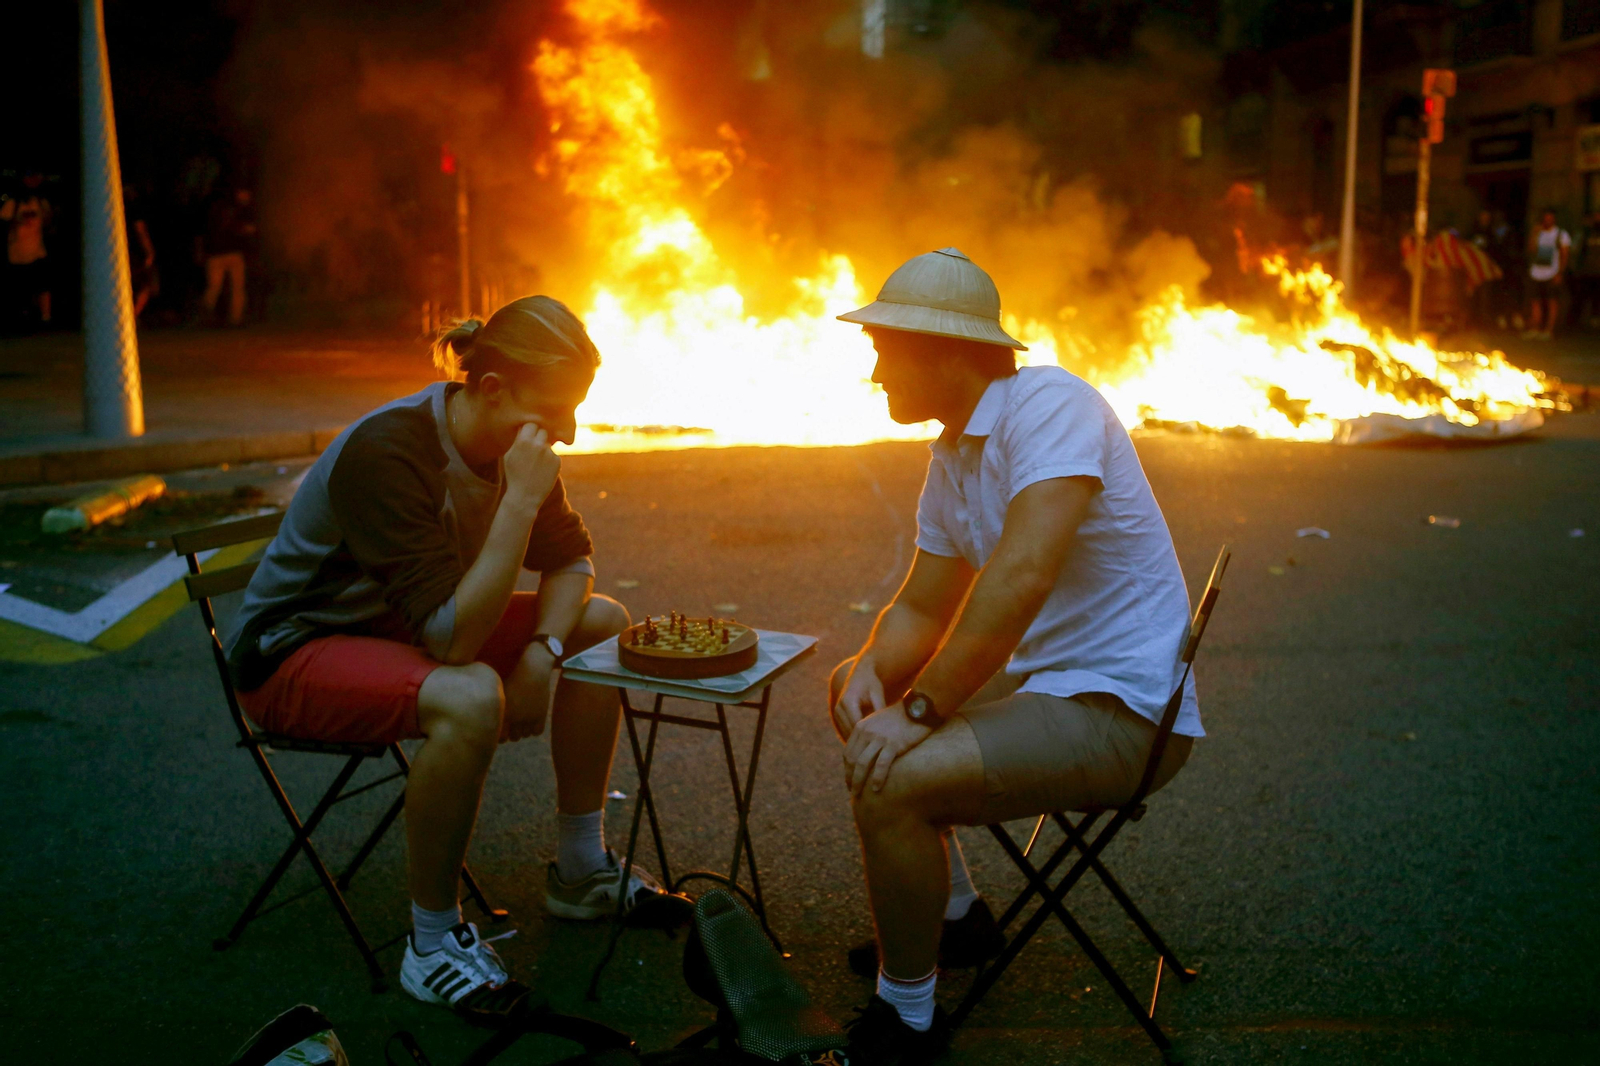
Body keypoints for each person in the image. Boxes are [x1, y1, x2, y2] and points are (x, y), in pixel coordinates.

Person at [223, 297, 664, 1019]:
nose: (568, 433)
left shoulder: (516, 445)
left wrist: (544, 654)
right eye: (555, 411)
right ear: (491, 389)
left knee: (601, 626)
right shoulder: (389, 452)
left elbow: (573, 561)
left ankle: (581, 869)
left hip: (399, 631)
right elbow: (452, 643)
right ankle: (430, 947)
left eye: (575, 411)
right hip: (292, 650)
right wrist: (518, 505)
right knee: (470, 694)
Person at [826, 249, 1200, 1064]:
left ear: (946, 351)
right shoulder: (953, 454)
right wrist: (873, 670)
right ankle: (956, 918)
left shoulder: (1052, 405)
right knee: (851, 688)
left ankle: (907, 1020)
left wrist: (920, 710)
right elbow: (922, 605)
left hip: (1122, 712)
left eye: (886, 351)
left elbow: (1024, 572)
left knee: (895, 782)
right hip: (1052, 686)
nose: (876, 373)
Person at [1, 168, 53, 327]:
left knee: (43, 286)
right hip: (17, 254)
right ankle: (23, 318)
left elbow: (48, 222)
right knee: (22, 290)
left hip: (38, 252)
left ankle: (45, 317)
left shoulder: (41, 202)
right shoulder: (13, 204)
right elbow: (4, 221)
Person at [201, 186, 256, 326]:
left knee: (214, 288)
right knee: (236, 288)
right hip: (230, 254)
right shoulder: (238, 211)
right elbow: (246, 230)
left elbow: (204, 232)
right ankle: (234, 318)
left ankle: (207, 315)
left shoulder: (211, 210)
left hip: (217, 254)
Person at [1523, 208, 1570, 340]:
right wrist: (1534, 234)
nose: (1548, 221)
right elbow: (1531, 249)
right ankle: (1535, 328)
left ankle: (1549, 330)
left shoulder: (1561, 234)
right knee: (1535, 301)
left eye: (1550, 218)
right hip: (1536, 273)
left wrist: (1560, 273)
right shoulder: (1538, 233)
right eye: (1546, 218)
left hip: (1552, 273)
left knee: (1552, 302)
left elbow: (1564, 254)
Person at [1571, 208, 1600, 331]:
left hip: (1598, 273)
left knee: (1597, 299)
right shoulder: (1585, 233)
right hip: (1586, 272)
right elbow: (1576, 250)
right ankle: (1575, 323)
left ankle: (1595, 322)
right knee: (1581, 298)